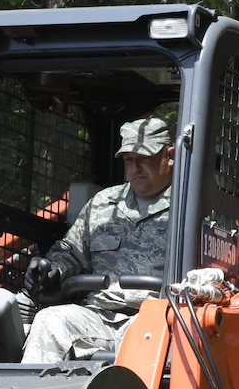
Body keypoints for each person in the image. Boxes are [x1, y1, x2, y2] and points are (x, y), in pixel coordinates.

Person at [18, 117, 223, 363]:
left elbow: (215, 276)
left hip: (158, 319)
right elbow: (71, 252)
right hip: (99, 314)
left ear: (170, 155)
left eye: (144, 158)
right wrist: (52, 269)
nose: (135, 167)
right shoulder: (103, 204)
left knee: (159, 338)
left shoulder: (194, 209)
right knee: (49, 321)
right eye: (128, 160)